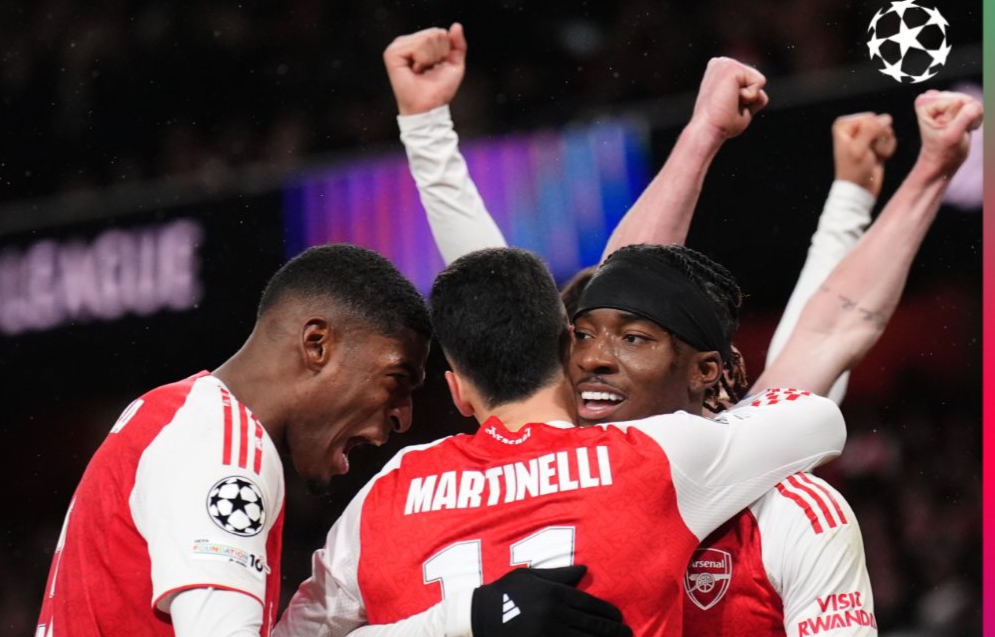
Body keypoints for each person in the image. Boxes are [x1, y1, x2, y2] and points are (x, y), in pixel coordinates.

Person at [378, 25, 981, 637]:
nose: (595, 358)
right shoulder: (554, 443)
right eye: (580, 337)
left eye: (632, 338)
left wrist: (915, 174)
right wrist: (427, 128)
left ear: (705, 373)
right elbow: (494, 287)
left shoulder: (736, 454)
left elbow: (832, 325)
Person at [275, 246, 846, 637]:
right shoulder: (656, 455)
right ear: (568, 348)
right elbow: (820, 418)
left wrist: (457, 621)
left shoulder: (386, 494)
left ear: (457, 392)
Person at [35, 244, 432, 637]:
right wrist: (442, 624)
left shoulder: (178, 413)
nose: (403, 417)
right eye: (397, 378)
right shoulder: (222, 446)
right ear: (317, 344)